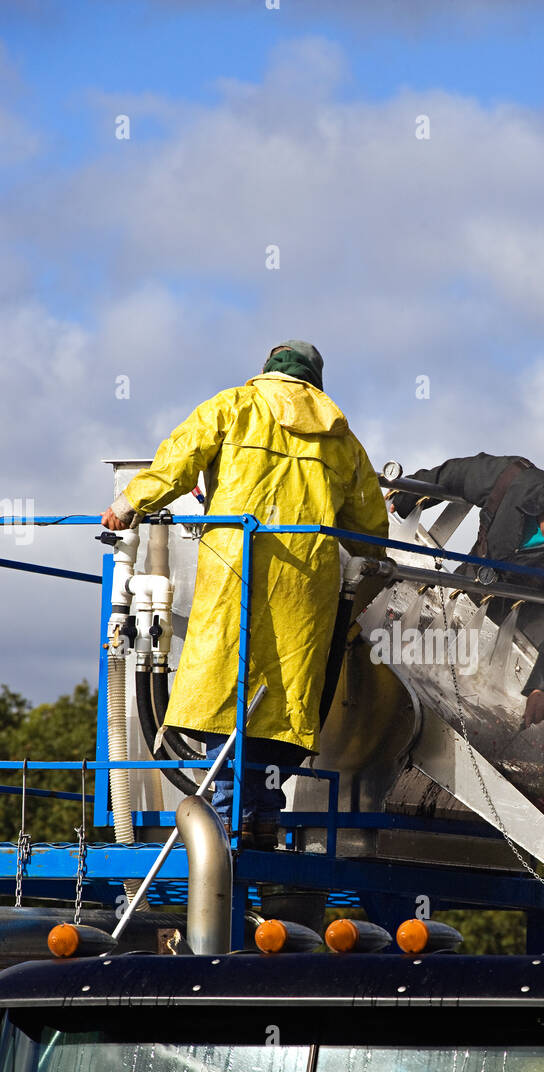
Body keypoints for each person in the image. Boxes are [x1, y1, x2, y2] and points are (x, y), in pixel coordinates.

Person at [101, 340, 389, 848]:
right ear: (314, 382)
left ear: (267, 372)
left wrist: (128, 504)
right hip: (306, 583)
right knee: (286, 701)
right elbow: (369, 528)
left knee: (221, 693)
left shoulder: (234, 405)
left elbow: (178, 463)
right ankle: (259, 817)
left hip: (235, 570)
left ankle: (230, 824)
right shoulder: (342, 440)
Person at [390, 452, 544, 726]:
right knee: (417, 651)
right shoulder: (509, 478)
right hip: (468, 588)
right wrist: (404, 497)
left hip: (516, 624)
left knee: (477, 694)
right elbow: (455, 475)